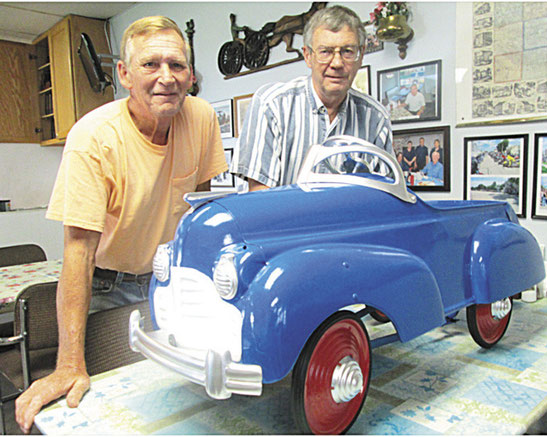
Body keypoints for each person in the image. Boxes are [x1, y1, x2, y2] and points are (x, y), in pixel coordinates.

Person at [15, 16, 228, 433]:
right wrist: (68, 364)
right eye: (151, 65)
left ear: (189, 73)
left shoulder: (201, 118)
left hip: (171, 280)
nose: (166, 77)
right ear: (125, 75)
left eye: (177, 65)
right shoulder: (93, 138)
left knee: (189, 398)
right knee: (116, 404)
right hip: (107, 287)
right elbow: (78, 253)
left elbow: (200, 215)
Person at [230, 5, 393, 191]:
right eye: (325, 52)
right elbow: (259, 200)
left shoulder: (376, 118)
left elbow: (384, 196)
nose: (337, 63)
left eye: (347, 51)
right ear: (307, 56)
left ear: (361, 55)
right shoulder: (271, 105)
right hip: (282, 220)